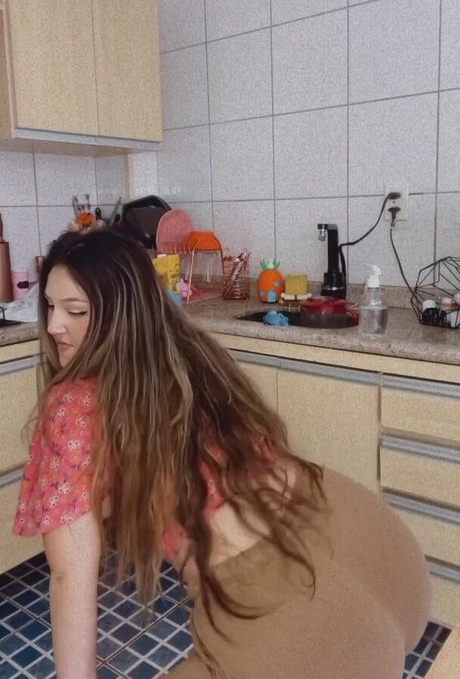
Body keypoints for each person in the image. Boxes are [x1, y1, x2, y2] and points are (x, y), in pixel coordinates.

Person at [14, 228, 431, 679]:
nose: (54, 326)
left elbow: (68, 576)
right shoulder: (191, 353)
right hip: (379, 548)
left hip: (295, 613)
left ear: (124, 315)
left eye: (75, 310)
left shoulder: (73, 403)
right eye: (49, 306)